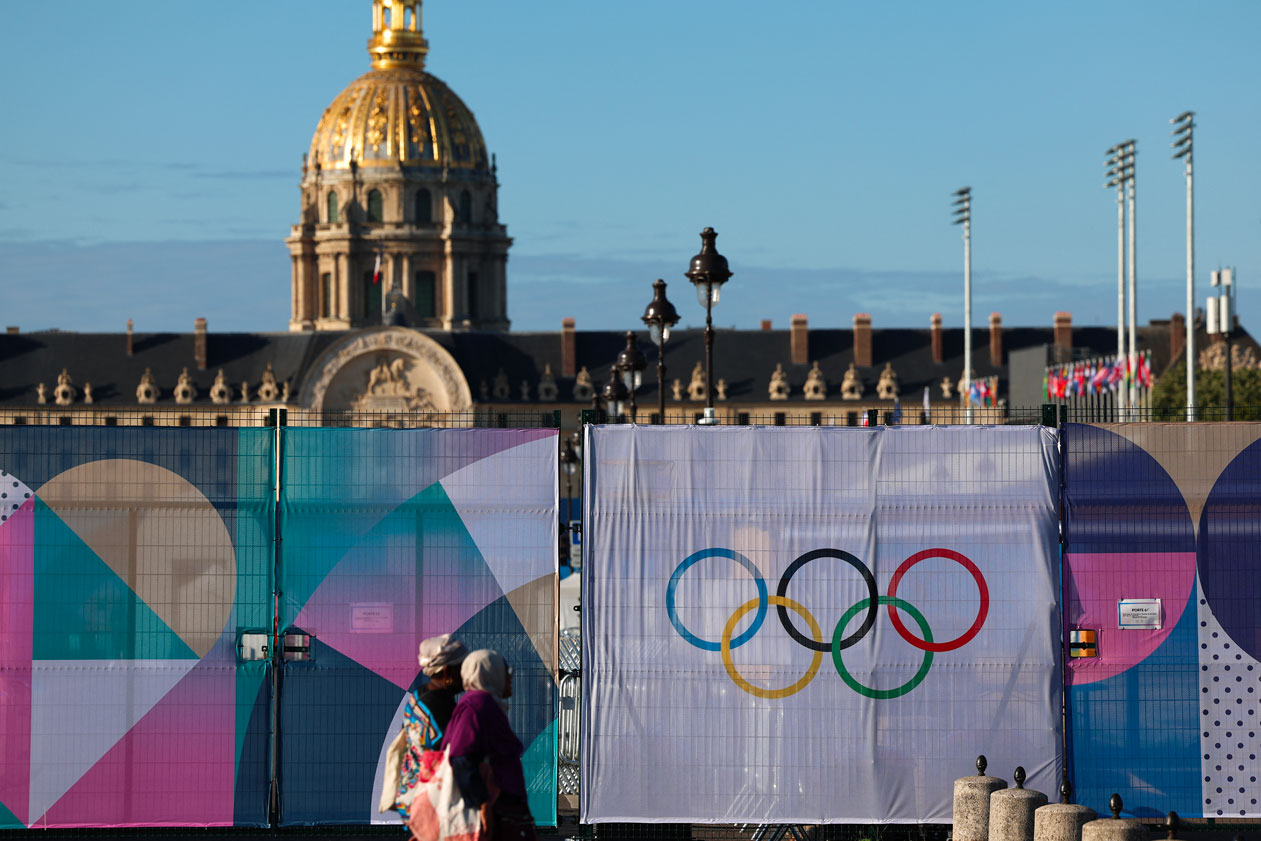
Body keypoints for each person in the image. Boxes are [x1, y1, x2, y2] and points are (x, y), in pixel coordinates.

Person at [443, 649, 537, 841]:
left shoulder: (483, 704)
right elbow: (461, 755)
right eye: (506, 672)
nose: (509, 679)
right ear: (490, 673)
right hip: (497, 811)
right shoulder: (479, 705)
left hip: (502, 809)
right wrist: (482, 805)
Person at [391, 634, 468, 820]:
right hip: (431, 801)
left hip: (412, 793)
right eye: (462, 668)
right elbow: (454, 753)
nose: (466, 673)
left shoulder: (419, 695)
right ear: (448, 672)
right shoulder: (440, 706)